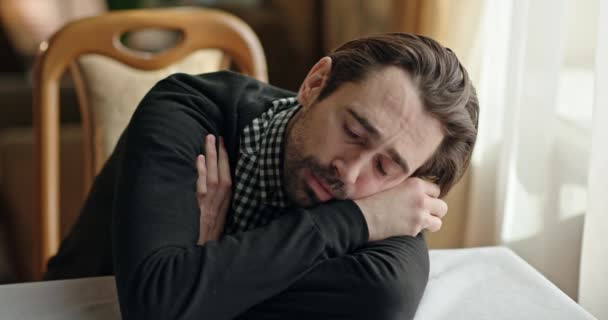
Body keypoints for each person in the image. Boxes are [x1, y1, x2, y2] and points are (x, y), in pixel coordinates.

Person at [44, 33, 479, 319]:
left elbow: (383, 296)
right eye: (353, 131)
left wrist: (201, 270)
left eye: (386, 167)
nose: (350, 171)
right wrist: (353, 220)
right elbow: (155, 306)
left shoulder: (390, 205)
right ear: (315, 84)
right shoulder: (186, 109)